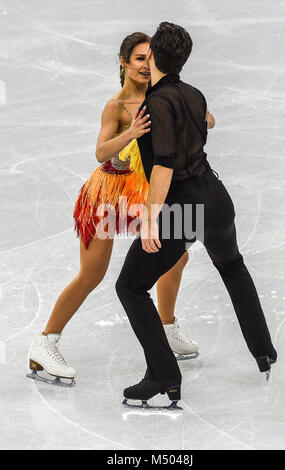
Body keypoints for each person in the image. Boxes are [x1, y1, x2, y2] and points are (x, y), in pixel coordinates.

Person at [116, 22, 277, 410]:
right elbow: (205, 123)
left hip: (183, 208)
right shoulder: (194, 93)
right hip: (216, 199)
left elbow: (165, 165)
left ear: (152, 56)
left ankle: (164, 375)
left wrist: (152, 219)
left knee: (131, 287)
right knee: (233, 267)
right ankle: (264, 351)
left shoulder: (155, 102)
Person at [26, 32, 200, 387]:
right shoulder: (118, 106)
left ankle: (166, 327)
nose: (145, 64)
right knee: (92, 274)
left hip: (142, 194)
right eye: (138, 58)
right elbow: (101, 153)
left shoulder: (163, 94)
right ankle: (45, 343)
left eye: (148, 57)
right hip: (107, 197)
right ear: (124, 62)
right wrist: (132, 132)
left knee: (177, 255)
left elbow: (198, 120)